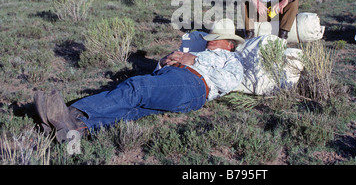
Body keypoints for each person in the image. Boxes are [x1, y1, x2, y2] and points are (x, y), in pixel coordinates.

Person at [34, 19, 245, 143]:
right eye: (211, 36)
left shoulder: (232, 60)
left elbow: (228, 82)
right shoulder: (199, 51)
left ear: (230, 44)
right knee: (134, 108)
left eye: (217, 38)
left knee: (137, 87)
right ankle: (75, 129)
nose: (211, 40)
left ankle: (68, 113)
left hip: (194, 86)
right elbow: (158, 73)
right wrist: (164, 62)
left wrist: (195, 60)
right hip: (175, 80)